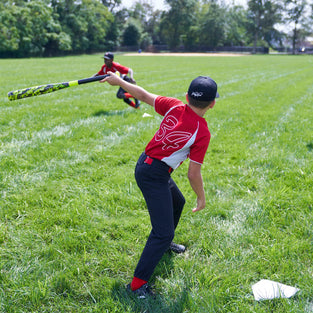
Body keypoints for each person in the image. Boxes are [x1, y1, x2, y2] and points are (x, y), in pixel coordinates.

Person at [101, 72, 219, 299]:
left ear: (186, 96)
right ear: (212, 104)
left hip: (148, 165)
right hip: (153, 174)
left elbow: (143, 96)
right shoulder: (202, 131)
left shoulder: (175, 106)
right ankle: (136, 287)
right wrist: (202, 198)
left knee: (178, 202)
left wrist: (120, 81)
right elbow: (193, 174)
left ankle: (165, 245)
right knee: (162, 232)